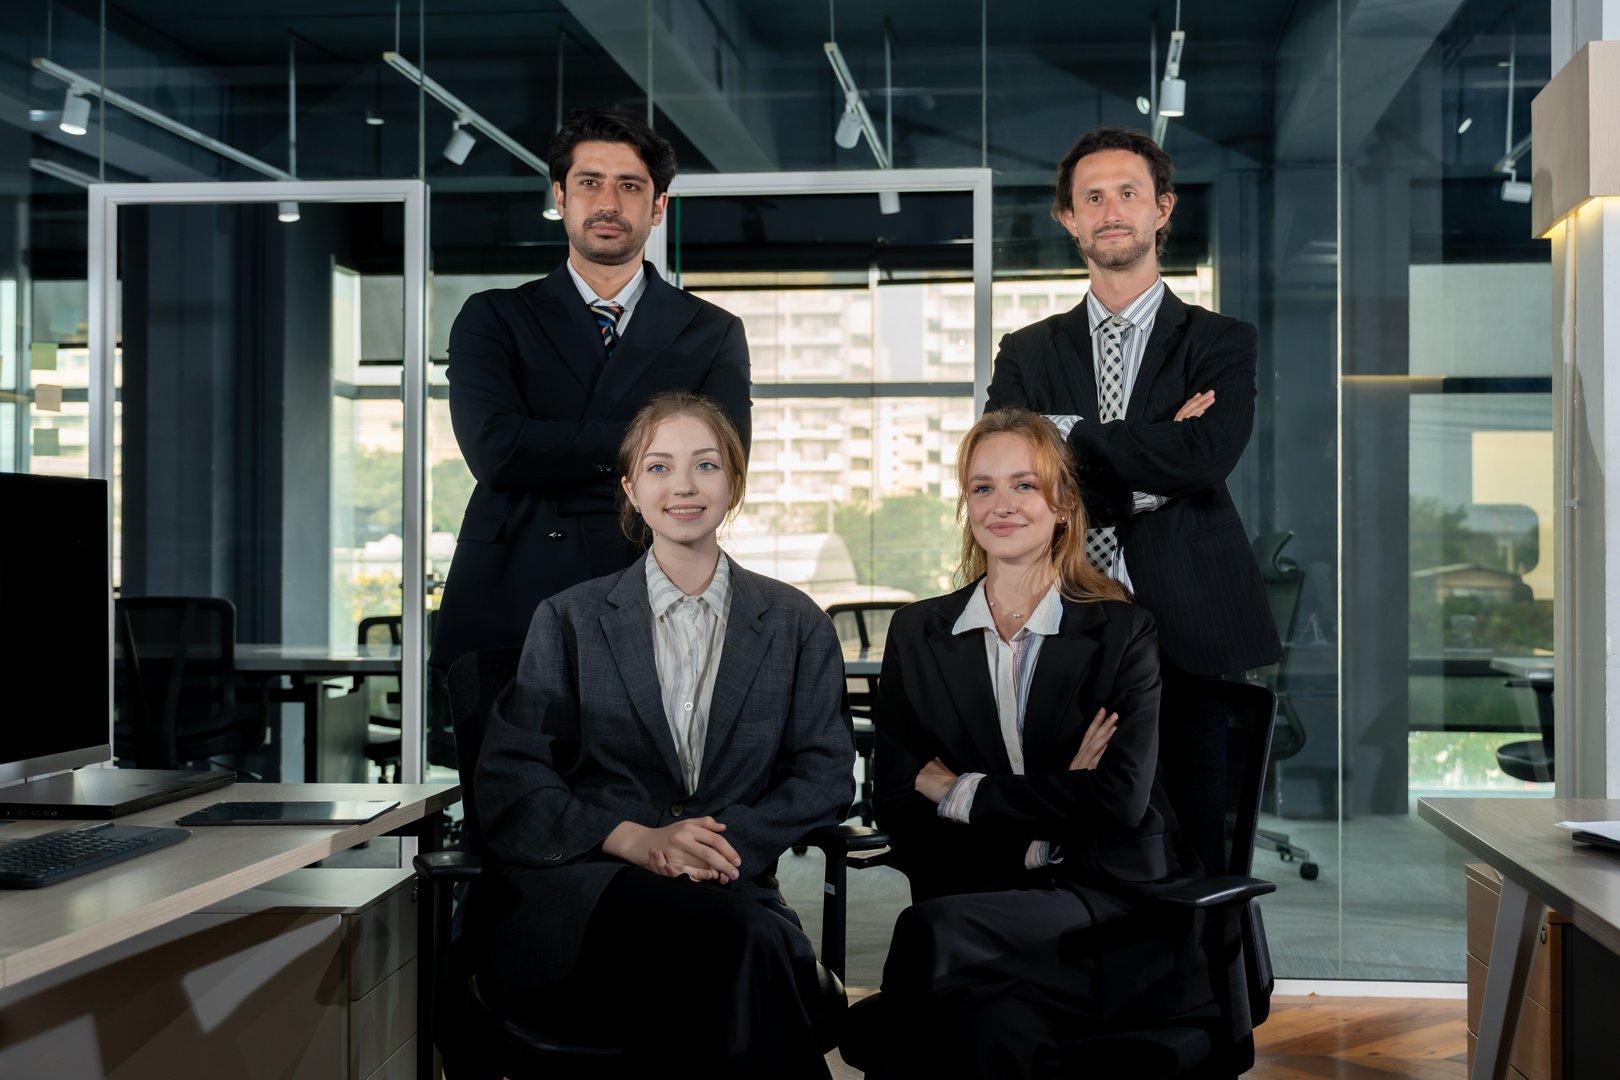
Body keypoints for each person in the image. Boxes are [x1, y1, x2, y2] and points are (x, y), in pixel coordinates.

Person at [474, 392, 853, 1080]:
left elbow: (825, 772)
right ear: (630, 488)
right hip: (597, 893)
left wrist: (721, 844)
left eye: (706, 465)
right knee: (750, 950)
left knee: (729, 952)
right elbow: (512, 779)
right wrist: (637, 839)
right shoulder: (570, 619)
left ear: (733, 482)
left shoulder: (797, 623)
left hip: (732, 884)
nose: (683, 486)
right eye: (659, 467)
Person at [870, 409, 1204, 1079]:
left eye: (1025, 485)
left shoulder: (1121, 633)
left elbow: (1116, 802)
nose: (1002, 504)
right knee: (991, 1013)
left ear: (1064, 505)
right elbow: (899, 804)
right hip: (983, 899)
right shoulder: (917, 633)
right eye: (983, 486)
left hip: (1110, 907)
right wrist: (1051, 808)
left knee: (933, 940)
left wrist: (961, 790)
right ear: (966, 504)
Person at [430, 107, 751, 669]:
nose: (608, 203)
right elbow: (497, 451)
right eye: (589, 183)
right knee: (508, 757)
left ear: (658, 206)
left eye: (630, 186)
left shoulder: (712, 330)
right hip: (510, 597)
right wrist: (653, 451)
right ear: (560, 197)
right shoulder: (493, 317)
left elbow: (719, 462)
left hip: (652, 587)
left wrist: (551, 446)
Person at [984, 126, 1278, 682]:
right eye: (1092, 197)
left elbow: (1206, 457)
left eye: (1128, 193)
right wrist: (1160, 461)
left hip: (1193, 620)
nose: (1110, 210)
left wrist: (1064, 432)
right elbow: (1007, 471)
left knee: (1198, 772)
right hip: (1054, 610)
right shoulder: (1026, 350)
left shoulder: (1221, 340)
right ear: (1069, 218)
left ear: (1162, 208)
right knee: (1065, 770)